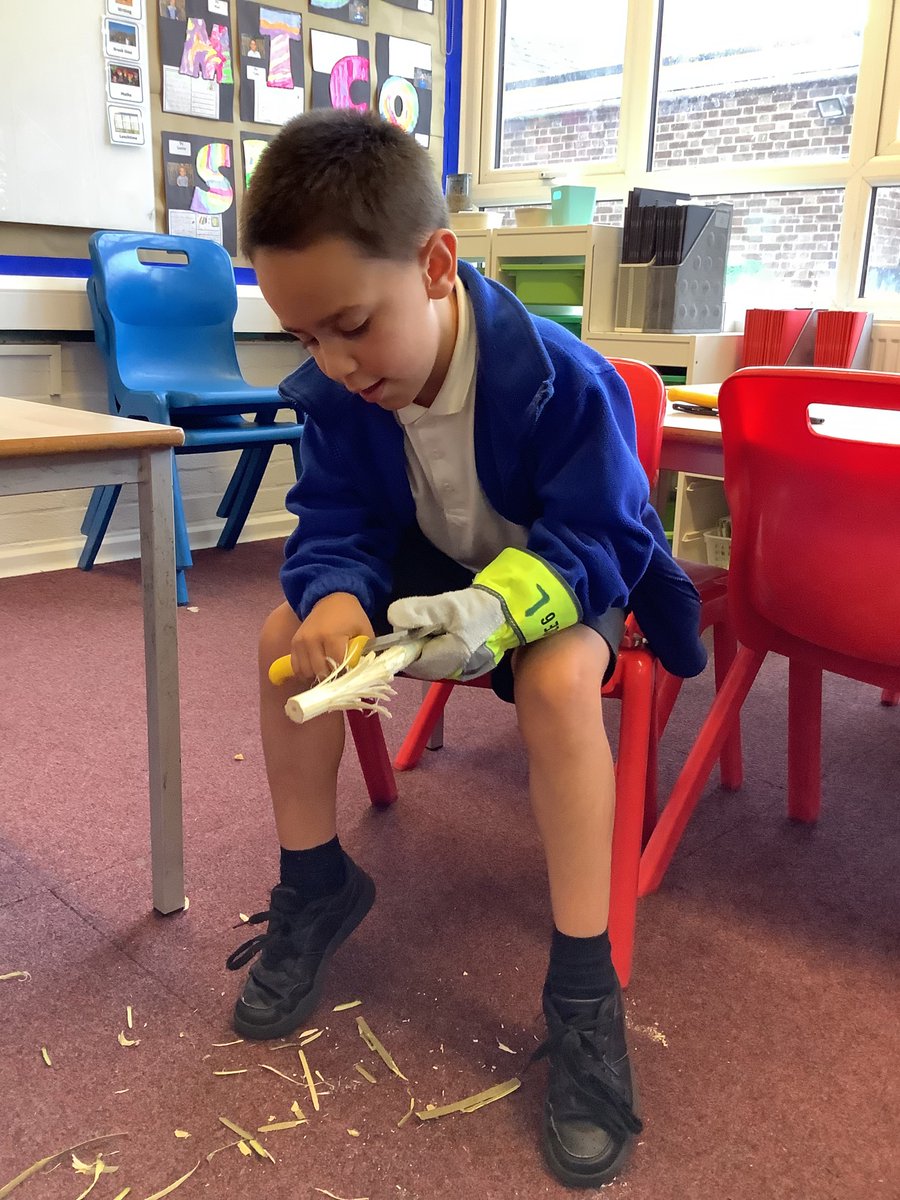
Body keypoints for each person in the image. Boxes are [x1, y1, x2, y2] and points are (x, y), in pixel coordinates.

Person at [227, 108, 706, 1189]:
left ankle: (585, 990)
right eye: (307, 340)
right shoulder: (342, 388)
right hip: (435, 573)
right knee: (278, 634)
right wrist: (338, 595)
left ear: (438, 264)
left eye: (352, 324)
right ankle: (317, 884)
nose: (336, 364)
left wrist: (500, 612)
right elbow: (337, 518)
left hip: (560, 579)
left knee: (556, 678)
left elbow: (607, 534)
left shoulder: (560, 376)